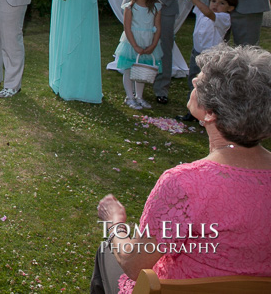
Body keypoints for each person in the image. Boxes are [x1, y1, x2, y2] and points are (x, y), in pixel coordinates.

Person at [92, 44, 271, 294]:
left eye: (200, 83)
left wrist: (115, 225)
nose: (194, 79)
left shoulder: (185, 184)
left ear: (209, 113)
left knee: (108, 251)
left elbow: (133, 264)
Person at [175, 0, 236, 123]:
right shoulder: (202, 12)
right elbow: (198, 3)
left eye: (222, 3)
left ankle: (208, 113)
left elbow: (207, 11)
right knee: (194, 81)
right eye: (213, 1)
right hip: (197, 53)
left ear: (230, 8)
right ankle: (193, 111)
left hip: (211, 56)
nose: (216, 5)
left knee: (208, 84)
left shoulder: (224, 17)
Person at [113, 0, 162, 109]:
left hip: (148, 42)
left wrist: (153, 44)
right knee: (129, 69)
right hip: (131, 43)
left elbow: (158, 28)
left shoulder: (156, 8)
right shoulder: (129, 7)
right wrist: (134, 45)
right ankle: (129, 97)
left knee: (142, 70)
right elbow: (127, 28)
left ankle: (139, 97)